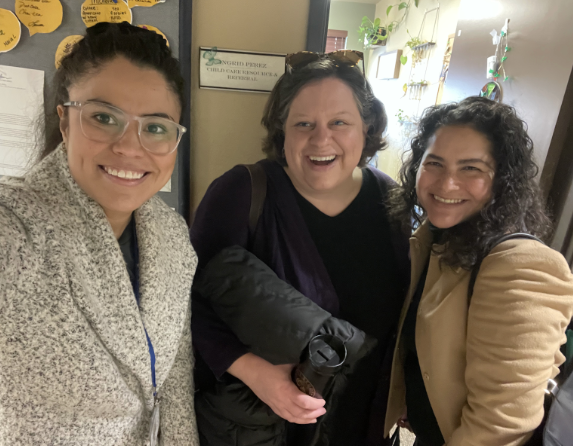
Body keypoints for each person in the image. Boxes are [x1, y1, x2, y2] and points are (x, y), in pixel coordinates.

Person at [0, 23, 198, 446]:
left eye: (155, 127)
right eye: (103, 117)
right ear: (64, 121)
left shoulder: (172, 237)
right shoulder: (12, 226)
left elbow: (172, 386)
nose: (130, 147)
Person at [190, 51, 410, 445]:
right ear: (282, 132)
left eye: (339, 122)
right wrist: (254, 371)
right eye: (303, 124)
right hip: (262, 424)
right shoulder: (241, 194)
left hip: (361, 422)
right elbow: (187, 303)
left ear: (367, 127)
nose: (321, 139)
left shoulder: (391, 202)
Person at [385, 97, 573, 446]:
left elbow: (502, 424)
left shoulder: (522, 265)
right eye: (435, 163)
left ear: (503, 180)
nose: (447, 183)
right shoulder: (436, 242)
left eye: (471, 168)